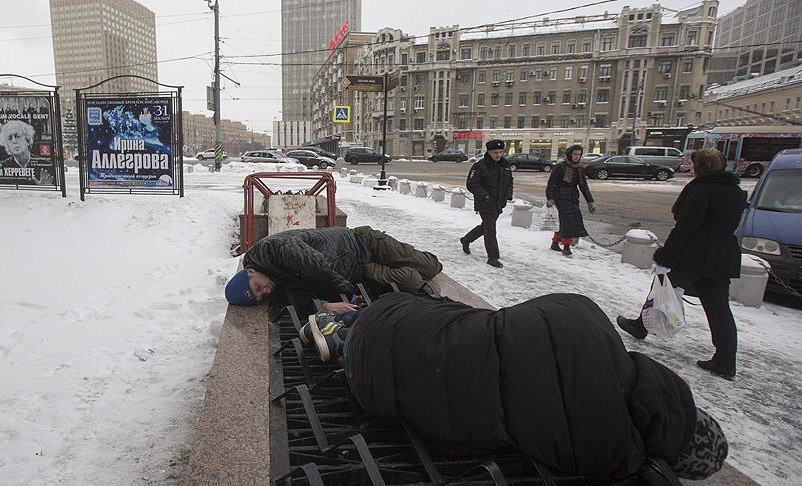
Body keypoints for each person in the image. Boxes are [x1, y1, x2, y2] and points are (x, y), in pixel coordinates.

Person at [299, 292, 728, 483]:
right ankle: (343, 340)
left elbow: (523, 320)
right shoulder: (612, 453)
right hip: (377, 385)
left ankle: (346, 324)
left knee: (453, 323)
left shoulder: (585, 315)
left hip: (402, 319)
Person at [616, 148, 746, 380]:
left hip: (693, 255)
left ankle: (640, 326)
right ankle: (726, 360)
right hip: (721, 255)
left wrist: (666, 256)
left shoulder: (700, 190)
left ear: (701, 167)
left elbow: (686, 228)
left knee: (661, 287)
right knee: (719, 309)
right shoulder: (736, 191)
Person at [224, 226, 442, 305]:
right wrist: (326, 305)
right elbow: (301, 299)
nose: (264, 291)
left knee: (432, 267)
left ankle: (412, 258)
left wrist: (346, 290)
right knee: (412, 282)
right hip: (361, 272)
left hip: (362, 242)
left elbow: (314, 265)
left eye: (257, 287)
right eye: (260, 297)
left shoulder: (272, 249)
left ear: (250, 271)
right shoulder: (274, 283)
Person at [460, 139, 513, 268]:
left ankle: (466, 239)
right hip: (485, 203)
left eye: (500, 152)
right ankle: (493, 257)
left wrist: (507, 196)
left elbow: (510, 182)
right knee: (490, 229)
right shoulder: (480, 166)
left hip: (499, 203)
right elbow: (472, 184)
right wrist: (485, 196)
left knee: (486, 226)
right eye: (495, 152)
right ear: (489, 152)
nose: (498, 155)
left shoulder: (505, 165)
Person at [545, 145, 595, 256]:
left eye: (579, 154)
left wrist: (590, 201)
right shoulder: (560, 167)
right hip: (560, 197)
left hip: (573, 197)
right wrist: (550, 198)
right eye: (575, 154)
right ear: (569, 154)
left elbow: (583, 186)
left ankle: (555, 243)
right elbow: (551, 184)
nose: (577, 157)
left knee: (565, 221)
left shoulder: (579, 169)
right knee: (568, 222)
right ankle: (566, 246)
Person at [0, 120, 54, 185]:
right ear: (7, 145)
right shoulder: (1, 167)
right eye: (10, 138)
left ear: (27, 139)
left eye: (17, 136)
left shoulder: (46, 166)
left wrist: (45, 186)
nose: (14, 141)